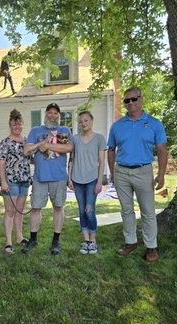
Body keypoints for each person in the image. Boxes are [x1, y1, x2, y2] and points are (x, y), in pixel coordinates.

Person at [107, 86, 168, 262]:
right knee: (126, 211)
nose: (131, 103)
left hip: (144, 171)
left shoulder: (154, 123)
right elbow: (111, 150)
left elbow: (162, 150)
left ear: (141, 99)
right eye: (127, 100)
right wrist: (112, 172)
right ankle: (130, 242)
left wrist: (162, 174)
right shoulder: (117, 126)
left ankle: (151, 247)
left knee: (148, 211)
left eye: (134, 99)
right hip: (122, 172)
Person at [22, 103, 73, 255]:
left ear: (59, 115)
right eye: (49, 113)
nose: (52, 115)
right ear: (45, 114)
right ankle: (33, 239)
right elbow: (26, 150)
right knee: (36, 208)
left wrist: (48, 147)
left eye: (55, 113)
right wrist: (41, 144)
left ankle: (56, 240)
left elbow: (68, 148)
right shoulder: (36, 130)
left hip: (59, 177)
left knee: (58, 207)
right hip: (40, 177)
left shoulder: (64, 131)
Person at [68, 111, 106, 254]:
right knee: (81, 210)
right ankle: (85, 241)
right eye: (81, 121)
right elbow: (71, 159)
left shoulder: (99, 139)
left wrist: (99, 181)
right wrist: (69, 177)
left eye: (86, 120)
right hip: (77, 180)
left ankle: (93, 240)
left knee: (89, 211)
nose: (83, 123)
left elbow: (102, 161)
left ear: (91, 121)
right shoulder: (75, 139)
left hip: (92, 180)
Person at [0, 109, 31, 254]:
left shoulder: (26, 141)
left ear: (22, 125)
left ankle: (19, 237)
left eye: (19, 125)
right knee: (10, 211)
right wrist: (3, 181)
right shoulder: (5, 142)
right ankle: (8, 242)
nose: (17, 127)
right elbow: (1, 163)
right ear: (10, 126)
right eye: (14, 125)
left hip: (24, 180)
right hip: (11, 181)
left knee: (20, 211)